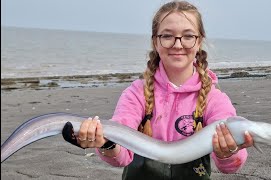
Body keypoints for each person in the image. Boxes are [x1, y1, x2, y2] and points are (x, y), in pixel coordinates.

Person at [63, 1, 253, 179]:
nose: (177, 45)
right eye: (167, 36)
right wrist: (106, 144)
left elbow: (230, 167)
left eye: (188, 36)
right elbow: (121, 157)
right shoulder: (136, 93)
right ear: (155, 41)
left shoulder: (214, 99)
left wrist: (229, 151)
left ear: (198, 41)